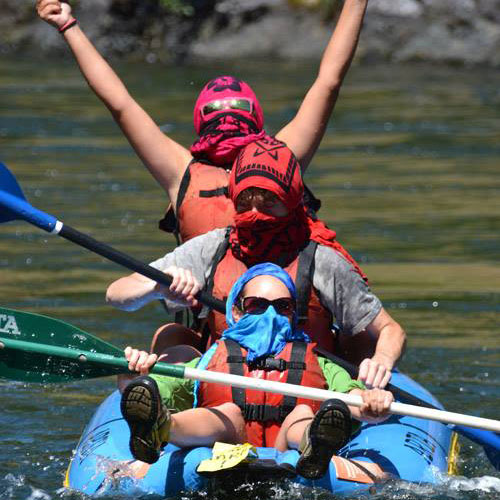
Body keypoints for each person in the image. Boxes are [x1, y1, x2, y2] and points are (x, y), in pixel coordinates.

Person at [36, 0, 371, 243]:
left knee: (169, 335)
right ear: (255, 121)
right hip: (284, 325)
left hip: (213, 331)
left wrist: (69, 26)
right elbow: (329, 81)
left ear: (200, 123)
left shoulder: (180, 171)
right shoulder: (283, 158)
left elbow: (119, 103)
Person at [107, 139, 406, 389]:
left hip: (308, 388)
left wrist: (381, 361)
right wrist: (156, 286)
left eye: (267, 202)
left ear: (290, 201)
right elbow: (118, 294)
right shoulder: (213, 247)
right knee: (174, 341)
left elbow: (391, 330)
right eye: (245, 202)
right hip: (224, 383)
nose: (254, 213)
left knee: (361, 347)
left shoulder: (323, 262)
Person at [121, 263, 394, 480]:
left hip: (288, 445)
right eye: (257, 305)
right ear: (237, 312)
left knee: (302, 414)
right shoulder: (210, 361)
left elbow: (352, 397)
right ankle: (162, 426)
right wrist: (132, 375)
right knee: (228, 412)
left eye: (282, 307)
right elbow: (153, 388)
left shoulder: (318, 362)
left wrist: (370, 403)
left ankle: (316, 442)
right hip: (227, 442)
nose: (270, 315)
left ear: (292, 315)